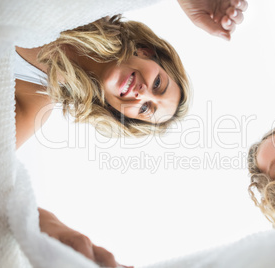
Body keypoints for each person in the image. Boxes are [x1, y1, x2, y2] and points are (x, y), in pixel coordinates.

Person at [13, 1, 248, 266]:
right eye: (158, 83)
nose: (143, 93)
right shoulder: (97, 7)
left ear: (118, 112)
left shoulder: (34, 98)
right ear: (145, 51)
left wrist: (60, 234)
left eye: (145, 108)